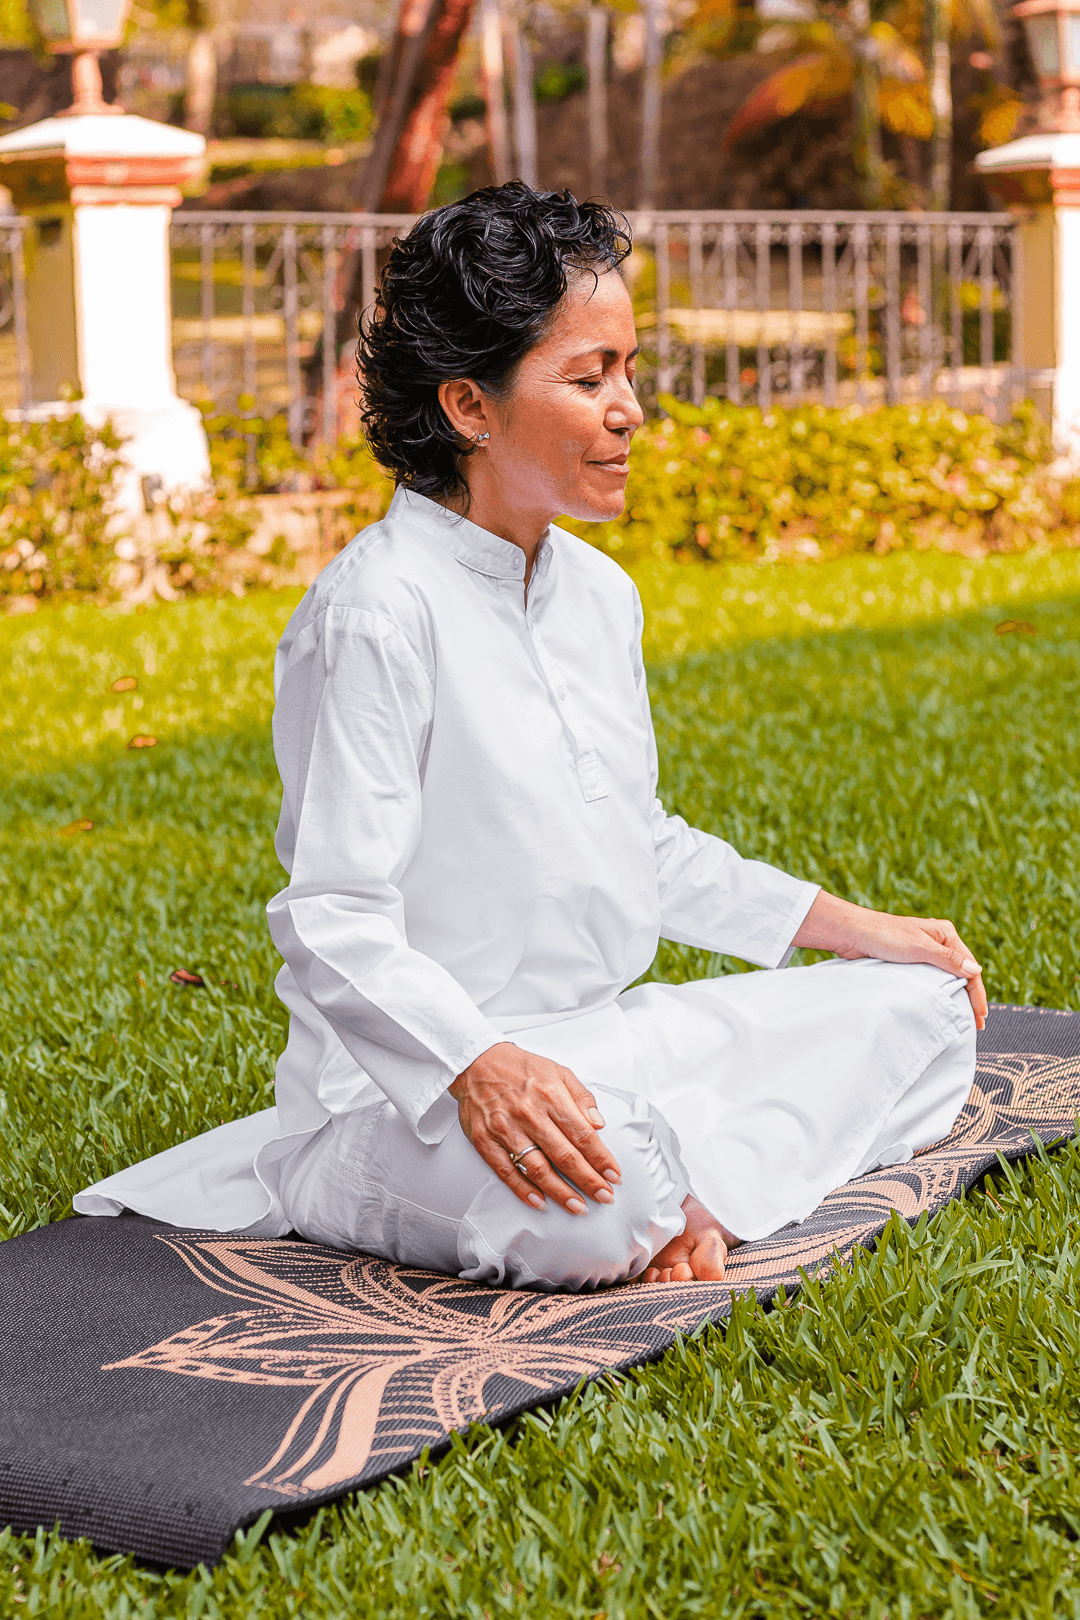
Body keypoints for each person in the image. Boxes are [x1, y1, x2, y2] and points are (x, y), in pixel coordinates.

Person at [76, 183, 985, 1290]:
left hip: (600, 1045)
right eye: (590, 376)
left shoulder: (599, 594)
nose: (630, 409)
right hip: (408, 1098)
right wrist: (477, 1064)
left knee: (926, 1006)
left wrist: (860, 929)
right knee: (596, 1214)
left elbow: (640, 845)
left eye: (630, 370)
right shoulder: (375, 612)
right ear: (471, 406)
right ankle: (677, 1192)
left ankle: (683, 1190)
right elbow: (334, 920)